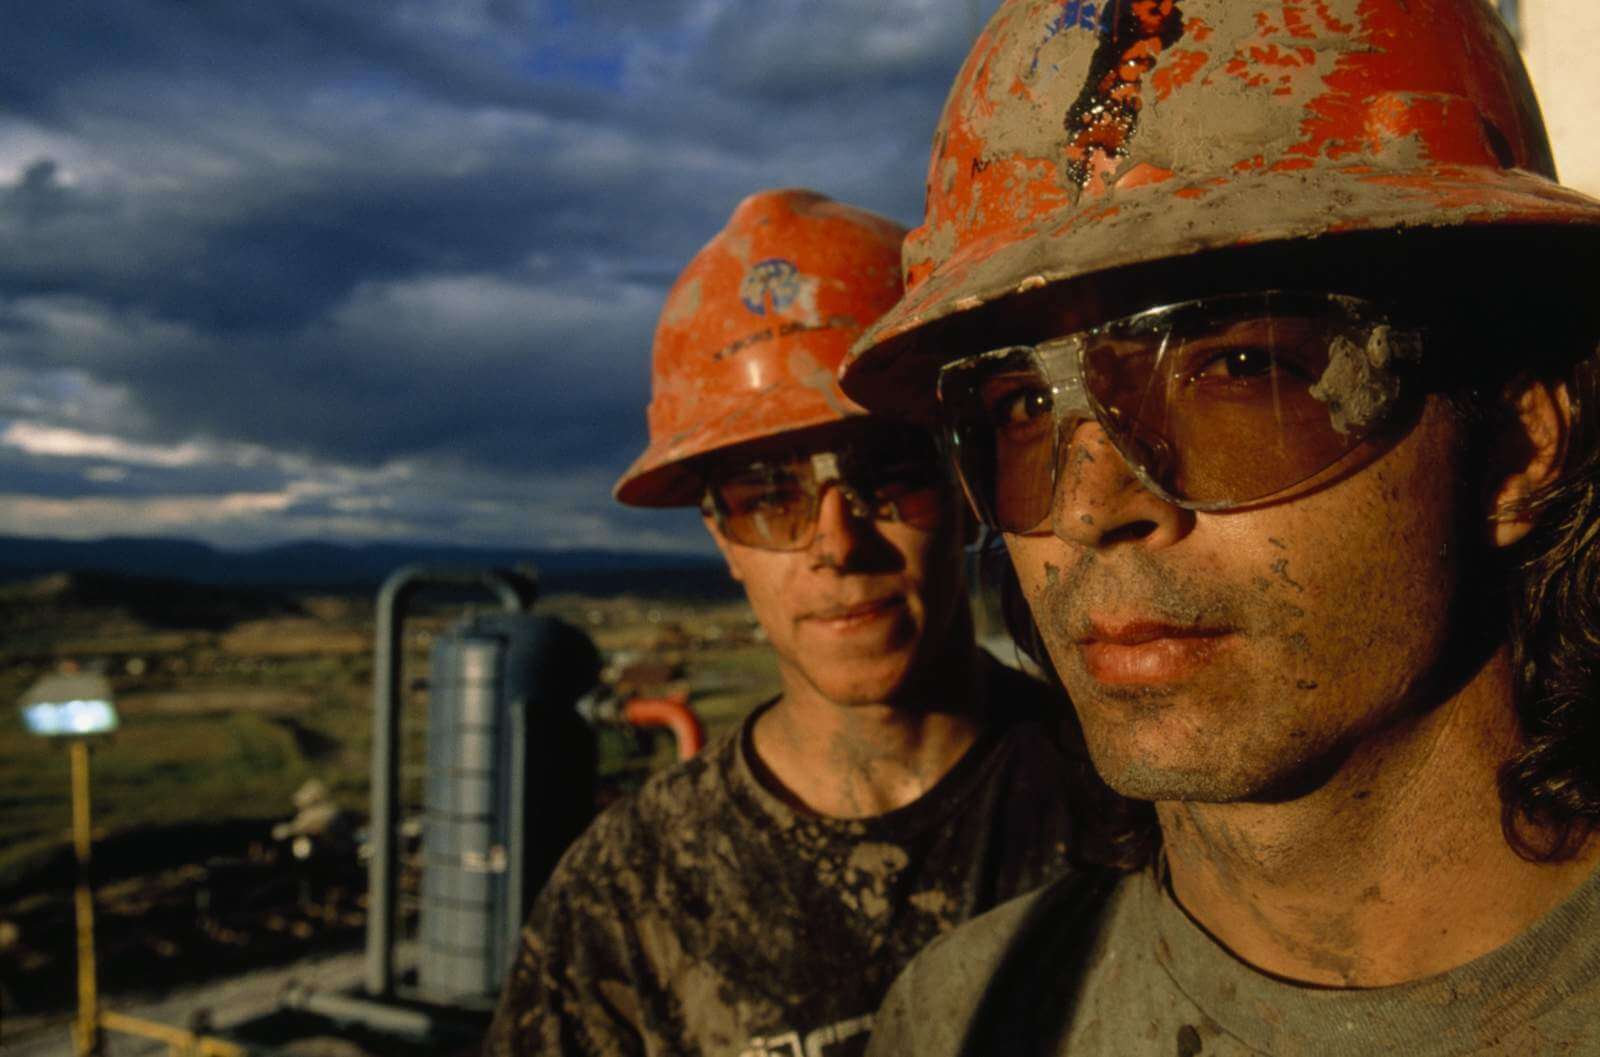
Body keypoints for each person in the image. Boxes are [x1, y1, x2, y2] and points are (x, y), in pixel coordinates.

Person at [835, 0, 1600, 1053]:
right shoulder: (972, 1018)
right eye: (1017, 410)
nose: (1092, 505)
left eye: (1239, 371)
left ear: (1517, 448)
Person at [484, 189, 1090, 1057]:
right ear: (722, 537)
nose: (837, 543)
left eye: (889, 472)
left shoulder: (1127, 803)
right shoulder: (629, 895)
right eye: (769, 497)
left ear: (967, 485)